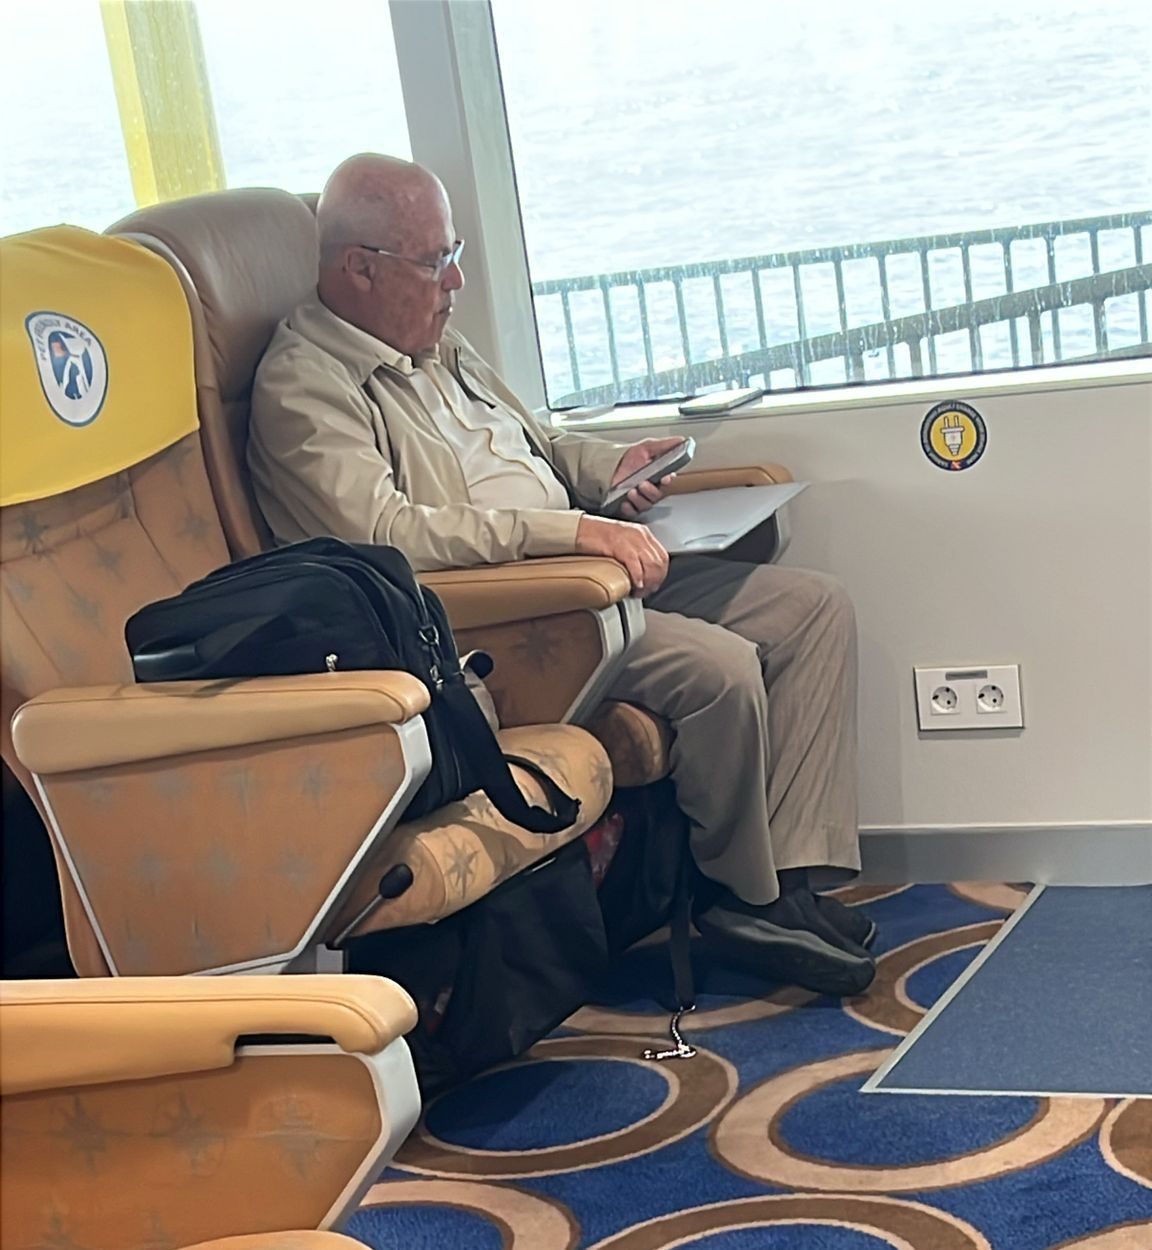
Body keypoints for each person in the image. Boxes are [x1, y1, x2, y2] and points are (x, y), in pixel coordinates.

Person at [249, 153, 876, 996]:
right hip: (506, 618)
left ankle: (788, 883)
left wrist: (609, 469)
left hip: (580, 571)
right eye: (435, 262)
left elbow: (537, 442)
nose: (456, 280)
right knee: (720, 669)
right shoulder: (304, 386)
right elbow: (387, 536)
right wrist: (571, 532)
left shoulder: (436, 344)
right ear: (360, 268)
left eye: (454, 253)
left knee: (811, 609)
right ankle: (742, 898)